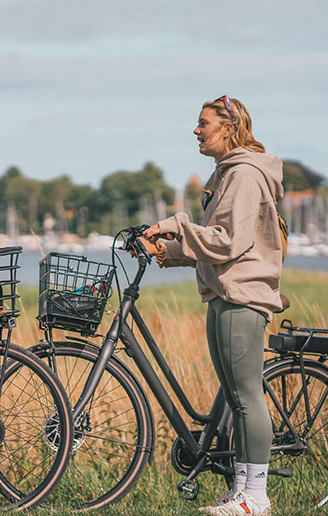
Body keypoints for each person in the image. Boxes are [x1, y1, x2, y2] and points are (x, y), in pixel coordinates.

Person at [139, 96, 283, 516]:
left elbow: (228, 242)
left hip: (242, 296)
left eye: (203, 123)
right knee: (236, 399)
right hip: (225, 293)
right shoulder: (227, 175)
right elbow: (215, 243)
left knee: (245, 396)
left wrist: (176, 224)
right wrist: (166, 251)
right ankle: (239, 491)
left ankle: (256, 497)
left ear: (230, 126)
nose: (196, 131)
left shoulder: (244, 175)